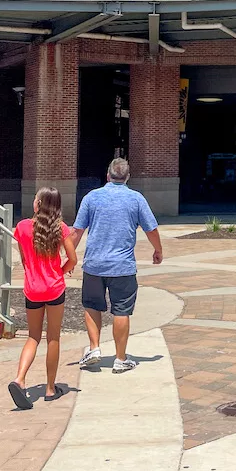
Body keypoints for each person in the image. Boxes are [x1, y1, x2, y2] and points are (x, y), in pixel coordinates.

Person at [70, 156, 162, 373]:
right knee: (122, 310)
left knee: (92, 306)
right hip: (123, 266)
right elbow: (151, 229)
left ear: (108, 175)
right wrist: (158, 250)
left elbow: (76, 231)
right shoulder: (136, 199)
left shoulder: (91, 197)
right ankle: (120, 359)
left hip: (94, 265)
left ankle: (94, 349)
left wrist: (69, 257)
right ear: (127, 177)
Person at [8, 187, 76, 410]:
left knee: (33, 337)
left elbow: (25, 259)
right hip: (54, 288)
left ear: (39, 204)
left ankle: (19, 379)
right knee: (53, 337)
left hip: (33, 289)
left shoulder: (22, 227)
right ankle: (49, 388)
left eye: (35, 199)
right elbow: (73, 259)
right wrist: (60, 271)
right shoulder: (61, 228)